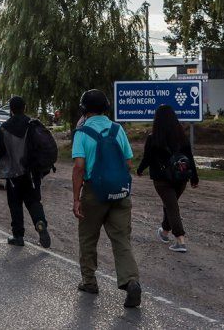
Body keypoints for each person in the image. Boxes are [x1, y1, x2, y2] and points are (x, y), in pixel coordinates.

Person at [72, 89, 141, 308]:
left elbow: (79, 167)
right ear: (107, 107)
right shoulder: (117, 129)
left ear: (84, 109)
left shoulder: (82, 133)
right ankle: (131, 282)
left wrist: (76, 198)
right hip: (120, 193)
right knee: (121, 240)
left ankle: (90, 282)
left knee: (88, 237)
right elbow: (128, 163)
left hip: (94, 193)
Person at [0, 96, 51, 248]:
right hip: (32, 173)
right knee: (34, 201)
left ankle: (18, 236)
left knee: (15, 204)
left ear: (10, 109)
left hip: (13, 173)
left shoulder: (4, 127)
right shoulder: (32, 124)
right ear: (25, 107)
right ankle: (40, 222)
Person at [136, 104, 199, 253]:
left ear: (157, 120)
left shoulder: (153, 138)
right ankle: (164, 232)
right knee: (170, 204)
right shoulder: (182, 137)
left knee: (171, 206)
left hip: (162, 180)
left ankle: (180, 240)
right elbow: (189, 158)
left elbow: (147, 158)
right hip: (181, 178)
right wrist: (194, 177)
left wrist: (139, 170)